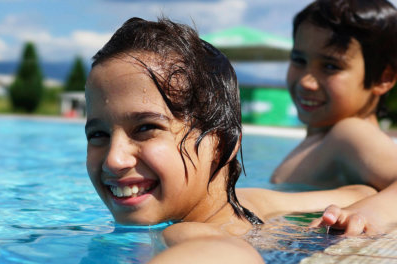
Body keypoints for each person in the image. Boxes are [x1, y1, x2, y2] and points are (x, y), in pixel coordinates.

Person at [85, 17, 376, 263]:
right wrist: (350, 215)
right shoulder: (254, 203)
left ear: (221, 144)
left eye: (145, 128)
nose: (114, 159)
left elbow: (227, 252)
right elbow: (360, 191)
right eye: (98, 134)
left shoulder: (180, 234)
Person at [270, 0, 397, 236]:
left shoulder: (351, 133)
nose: (307, 82)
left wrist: (371, 212)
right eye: (299, 60)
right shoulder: (322, 139)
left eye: (330, 66)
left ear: (382, 78)